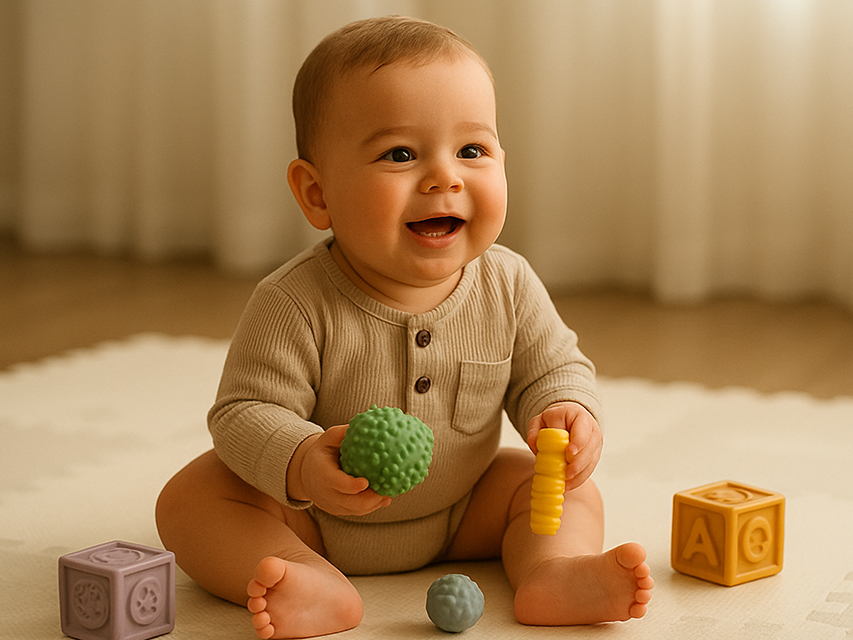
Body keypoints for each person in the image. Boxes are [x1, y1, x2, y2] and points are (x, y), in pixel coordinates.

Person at [156, 15, 653, 640]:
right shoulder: (294, 301)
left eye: (472, 150)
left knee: (557, 489)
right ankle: (309, 579)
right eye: (400, 154)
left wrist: (566, 410)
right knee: (191, 498)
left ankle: (552, 574)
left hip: (464, 509)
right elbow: (244, 412)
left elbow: (555, 367)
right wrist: (305, 461)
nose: (446, 176)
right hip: (314, 517)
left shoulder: (509, 283)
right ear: (317, 195)